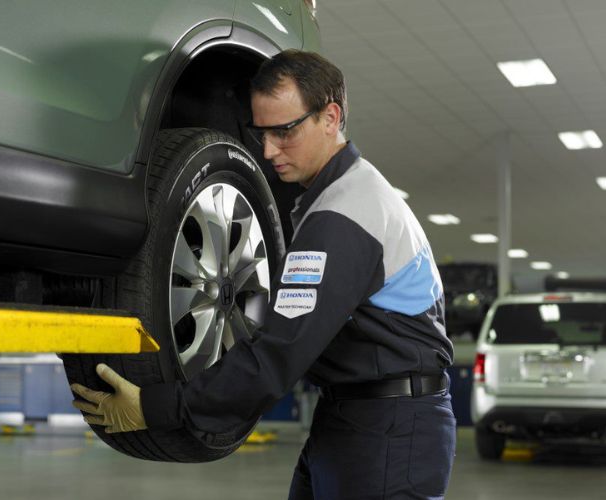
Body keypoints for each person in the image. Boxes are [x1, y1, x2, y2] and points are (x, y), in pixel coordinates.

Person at [71, 49, 456, 500]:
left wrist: (154, 407)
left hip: (390, 430)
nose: (269, 150)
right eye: (261, 132)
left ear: (330, 117)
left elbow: (279, 352)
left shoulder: (346, 214)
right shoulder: (342, 197)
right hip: (357, 416)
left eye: (284, 131)